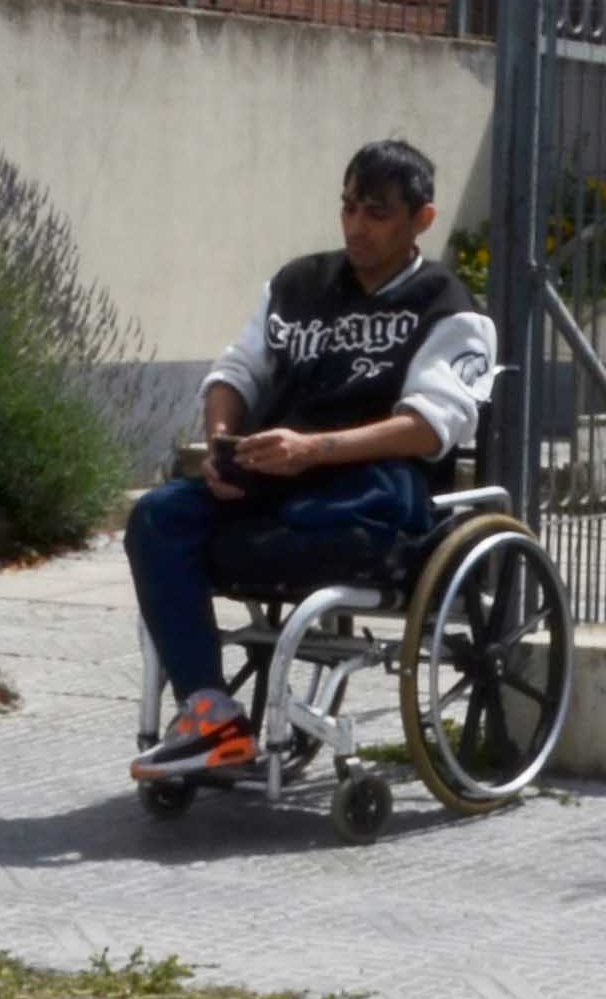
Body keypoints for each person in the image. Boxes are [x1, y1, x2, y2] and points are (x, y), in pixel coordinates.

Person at [127, 139, 493, 781]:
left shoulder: (448, 306)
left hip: (374, 484)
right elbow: (236, 371)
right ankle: (211, 716)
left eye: (376, 212)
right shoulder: (298, 285)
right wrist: (222, 443)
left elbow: (428, 426)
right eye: (348, 207)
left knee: (306, 527)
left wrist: (314, 451)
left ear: (422, 220)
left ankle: (222, 716)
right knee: (156, 517)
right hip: (275, 479)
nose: (356, 225)